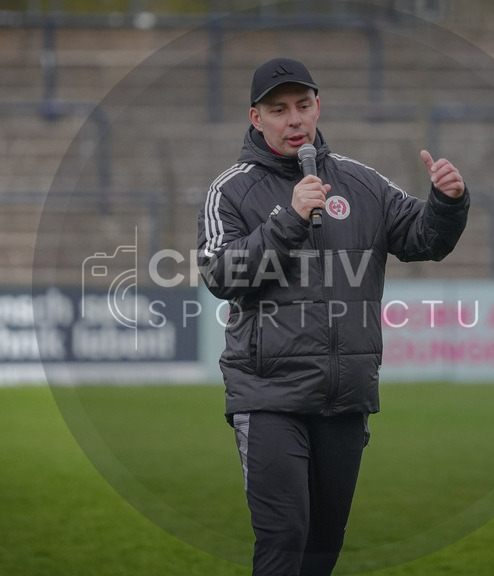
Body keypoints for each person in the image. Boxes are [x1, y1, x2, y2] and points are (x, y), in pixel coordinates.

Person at [196, 57, 470, 576]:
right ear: (256, 118)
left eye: (303, 105)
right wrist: (289, 218)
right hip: (269, 395)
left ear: (318, 106)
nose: (294, 119)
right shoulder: (231, 190)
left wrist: (448, 201)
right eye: (278, 110)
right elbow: (220, 274)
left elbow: (424, 239)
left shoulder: (362, 183)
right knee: (284, 538)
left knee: (322, 550)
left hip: (344, 399)